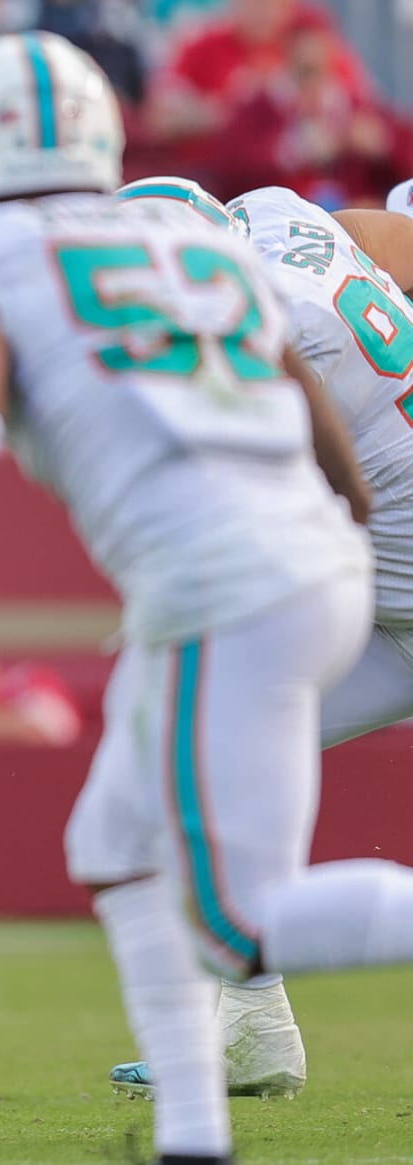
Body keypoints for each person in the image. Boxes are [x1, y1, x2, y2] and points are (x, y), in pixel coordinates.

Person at [0, 32, 413, 1165]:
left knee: (228, 909)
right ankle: (207, 1127)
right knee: (125, 834)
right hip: (347, 577)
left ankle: (211, 1113)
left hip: (291, 579)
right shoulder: (260, 231)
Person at [101, 176, 413, 1102]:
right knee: (183, 750)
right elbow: (388, 239)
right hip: (393, 609)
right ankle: (252, 1031)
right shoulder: (277, 214)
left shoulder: (262, 338)